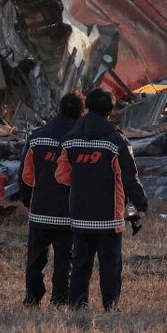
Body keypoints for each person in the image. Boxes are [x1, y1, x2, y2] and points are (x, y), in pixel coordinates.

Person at [55, 88, 148, 311]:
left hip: (80, 214)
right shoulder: (116, 140)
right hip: (110, 219)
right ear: (111, 109)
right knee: (110, 266)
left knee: (80, 264)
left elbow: (61, 176)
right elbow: (129, 179)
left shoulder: (69, 141)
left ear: (87, 108)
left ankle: (77, 307)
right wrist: (139, 208)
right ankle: (110, 307)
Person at [19, 90, 83, 307]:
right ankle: (60, 299)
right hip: (69, 213)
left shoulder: (36, 138)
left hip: (40, 211)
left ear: (58, 110)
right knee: (65, 259)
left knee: (35, 259)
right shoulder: (80, 141)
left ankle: (32, 298)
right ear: (82, 115)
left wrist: (27, 201)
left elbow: (25, 177)